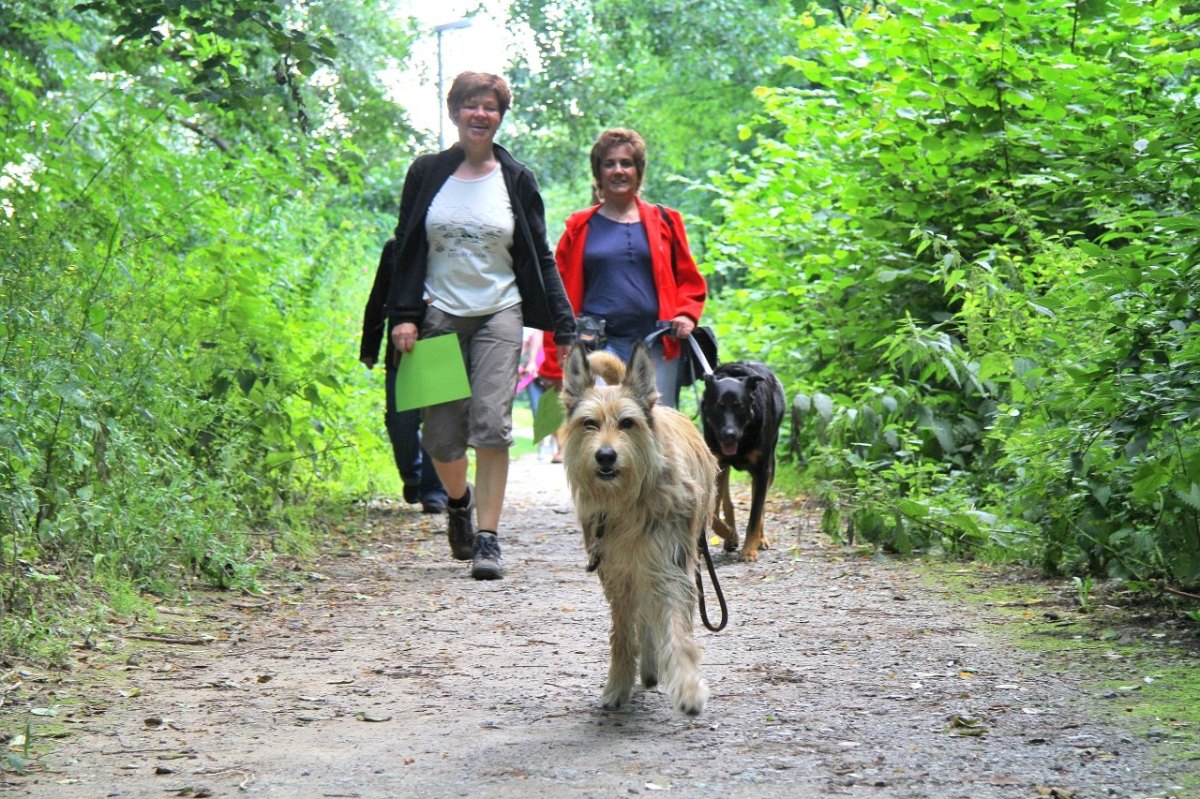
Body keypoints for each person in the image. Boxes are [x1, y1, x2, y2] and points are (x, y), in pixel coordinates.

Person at [385, 72, 575, 580]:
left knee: (492, 425)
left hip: (499, 311)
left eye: (489, 106)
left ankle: (488, 538)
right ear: (455, 112)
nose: (480, 114)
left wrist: (565, 325)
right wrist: (403, 316)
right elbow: (405, 245)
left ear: (500, 115)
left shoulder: (516, 178)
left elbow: (539, 254)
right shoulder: (427, 173)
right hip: (439, 312)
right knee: (442, 438)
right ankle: (458, 503)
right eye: (470, 105)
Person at [539, 128, 705, 408]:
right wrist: (555, 358)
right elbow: (558, 295)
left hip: (656, 342)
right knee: (605, 424)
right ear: (598, 172)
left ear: (638, 171)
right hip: (599, 345)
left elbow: (689, 280)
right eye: (609, 163)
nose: (618, 170)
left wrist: (687, 313)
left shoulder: (665, 221)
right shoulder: (579, 227)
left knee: (657, 427)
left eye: (626, 163)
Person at [360, 239, 449, 514]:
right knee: (400, 421)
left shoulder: (455, 246)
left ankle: (434, 489)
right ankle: (413, 475)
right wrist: (369, 346)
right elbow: (378, 298)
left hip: (445, 345)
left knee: (440, 421)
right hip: (402, 350)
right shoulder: (396, 248)